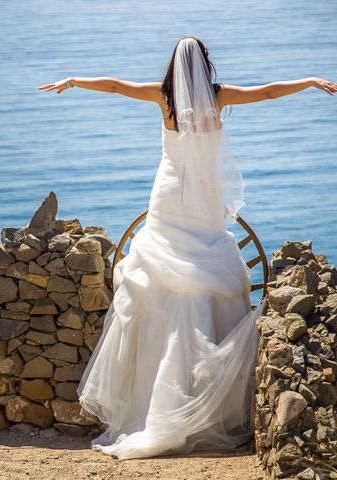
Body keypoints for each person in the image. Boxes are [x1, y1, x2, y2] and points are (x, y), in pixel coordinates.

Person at [38, 36, 336, 460]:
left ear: (173, 65)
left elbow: (115, 86)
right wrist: (308, 81)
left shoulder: (163, 98)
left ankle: (153, 403)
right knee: (202, 280)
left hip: (168, 193)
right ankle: (198, 397)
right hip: (202, 199)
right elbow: (269, 91)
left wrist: (72, 81)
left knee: (160, 284)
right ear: (205, 64)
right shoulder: (219, 97)